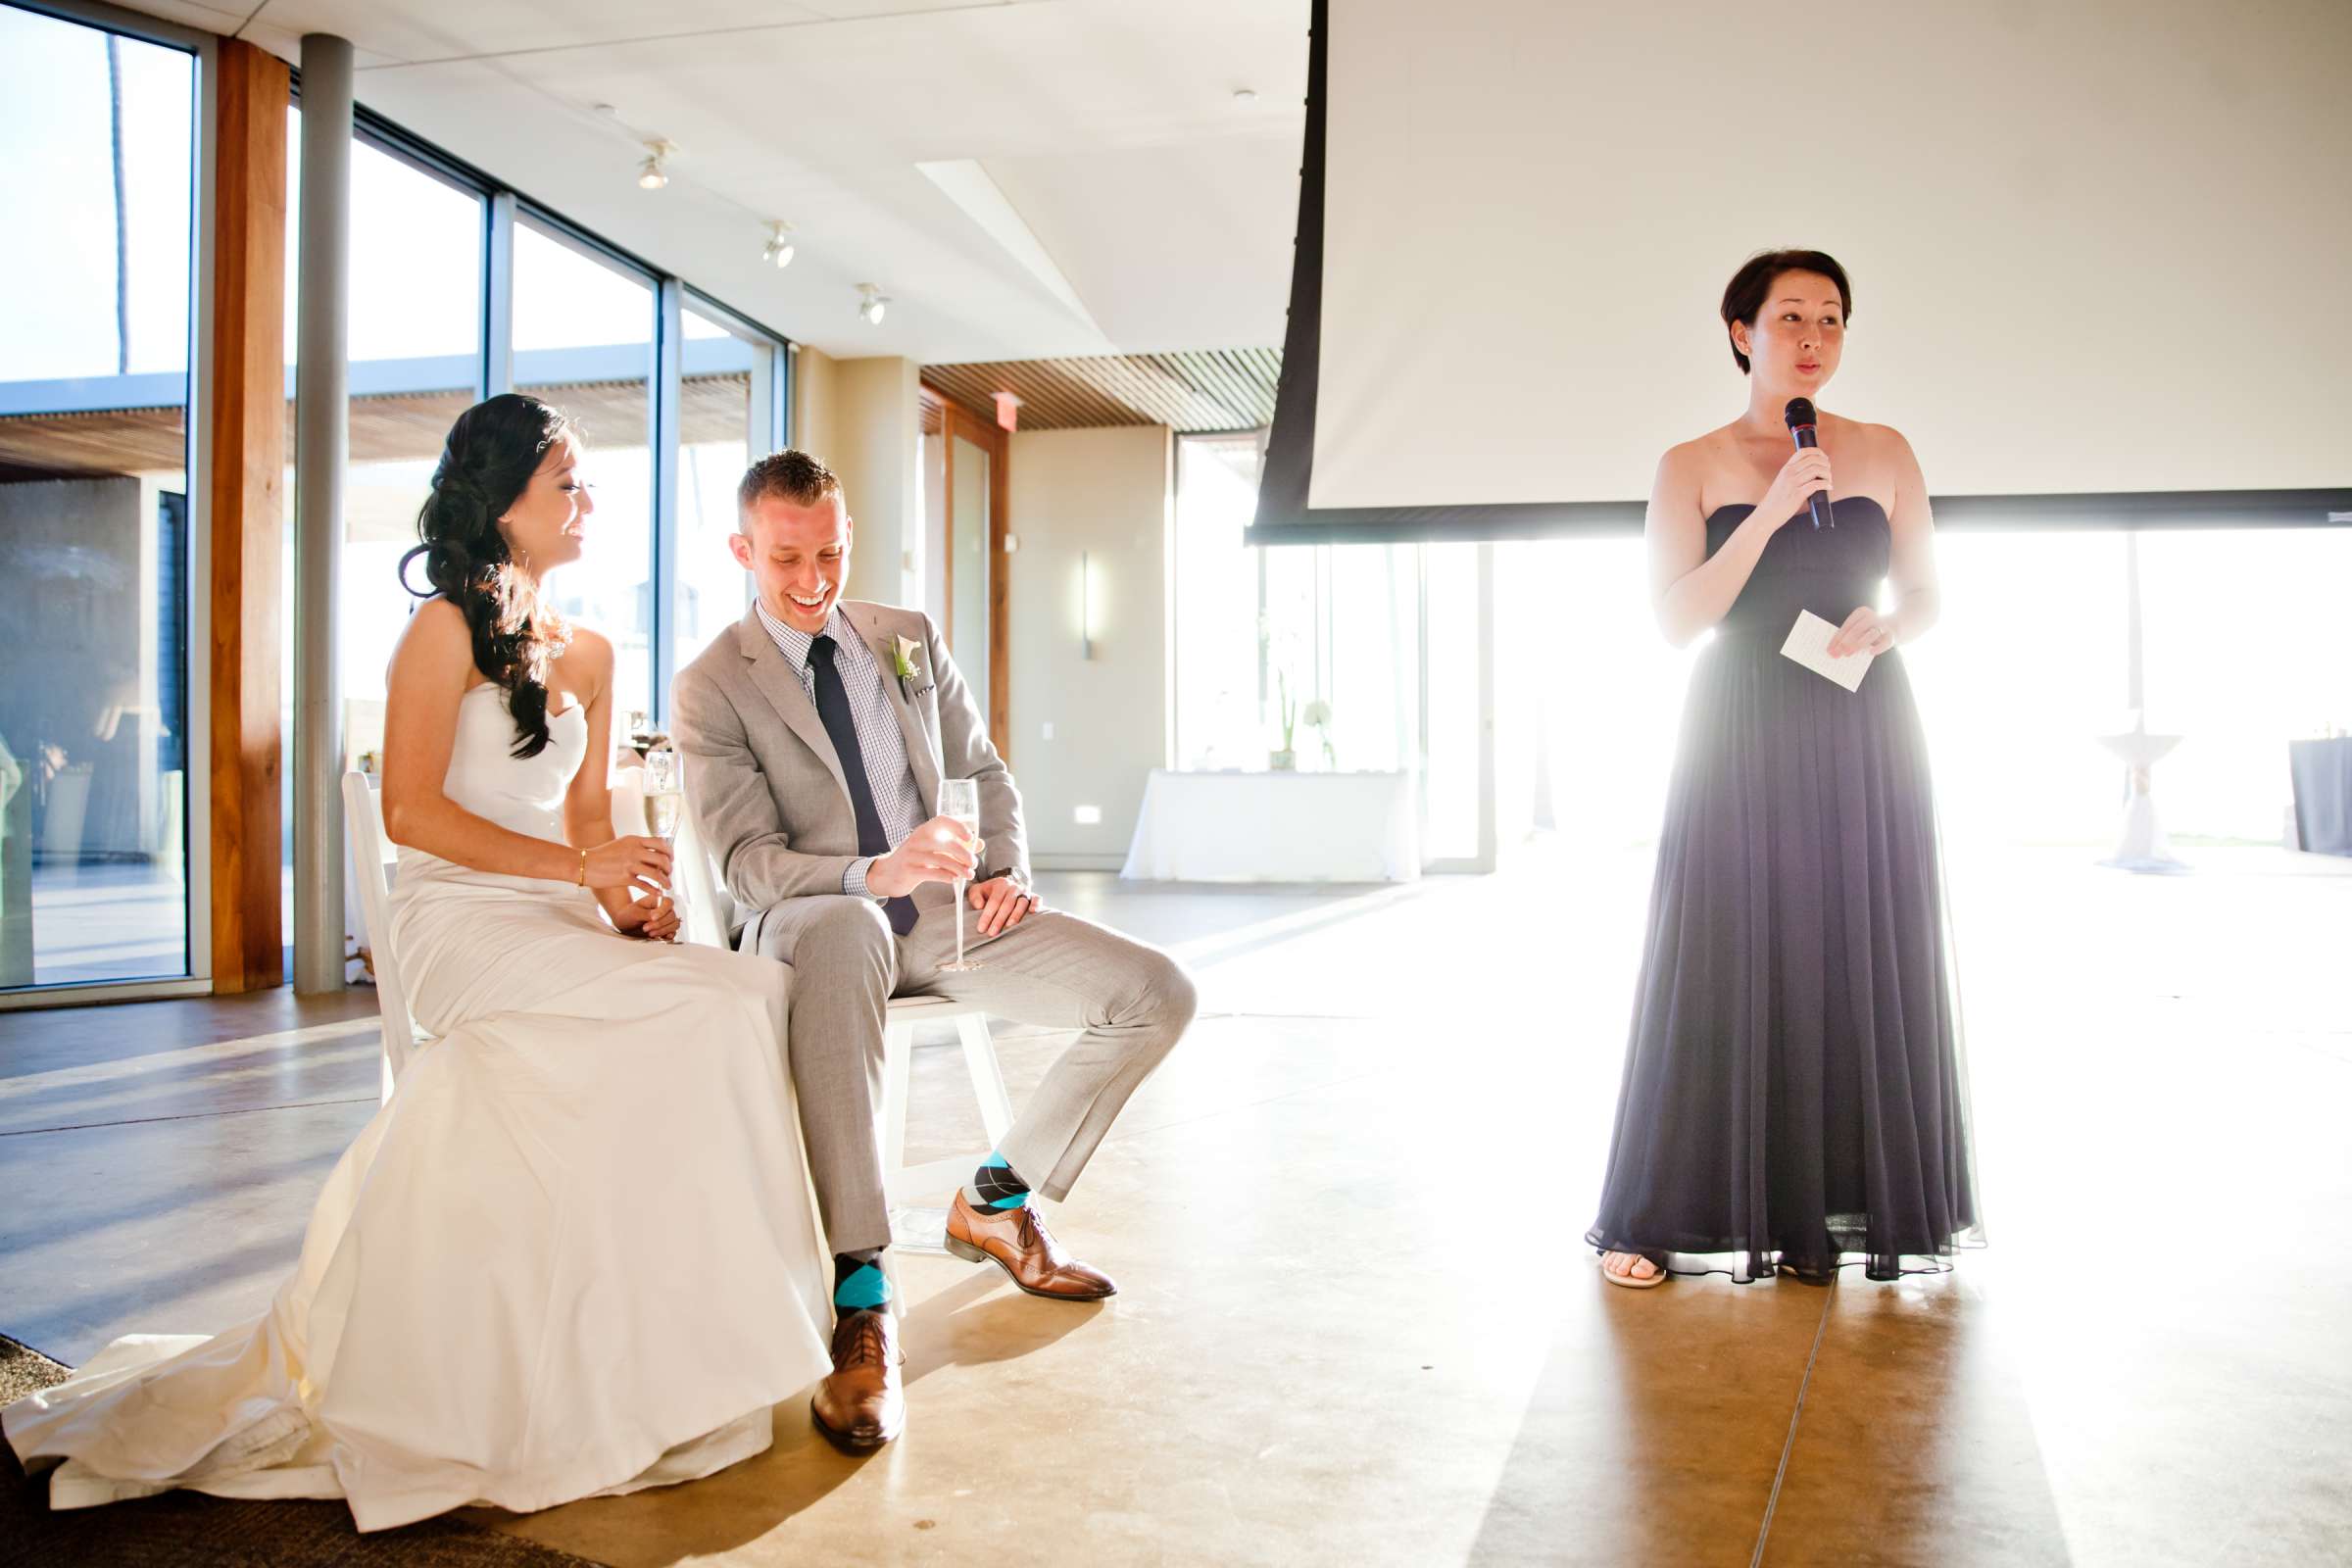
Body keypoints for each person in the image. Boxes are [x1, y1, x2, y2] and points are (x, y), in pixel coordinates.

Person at [4, 394, 834, 1529]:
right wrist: (575, 876)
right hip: (456, 923)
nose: (587, 501)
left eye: (584, 482)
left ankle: (687, 1347)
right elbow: (408, 814)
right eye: (567, 484)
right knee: (706, 1013)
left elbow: (589, 820)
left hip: (554, 918)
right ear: (501, 503)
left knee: (744, 990)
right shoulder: (440, 631)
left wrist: (629, 903)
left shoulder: (591, 650)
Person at [672, 449, 1198, 1451]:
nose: (813, 579)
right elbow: (749, 865)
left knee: (1157, 991)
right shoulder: (712, 686)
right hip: (820, 924)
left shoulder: (904, 636)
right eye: (786, 558)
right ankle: (861, 1296)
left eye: (830, 552)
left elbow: (983, 768)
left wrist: (1002, 864)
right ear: (744, 548)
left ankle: (994, 1202)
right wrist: (876, 871)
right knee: (844, 923)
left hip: (951, 919)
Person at [1586, 250, 1982, 1287]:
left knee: (1864, 946)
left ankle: (1841, 1210)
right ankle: (1665, 1215)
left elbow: (1929, 592)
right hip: (1741, 725)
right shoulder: (1694, 463)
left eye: (1833, 317)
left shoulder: (1887, 449)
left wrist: (1891, 624)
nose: (1814, 336)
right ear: (1741, 332)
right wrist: (1767, 510)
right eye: (1792, 315)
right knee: (1724, 952)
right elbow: (1678, 622)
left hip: (1863, 720)